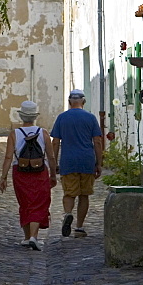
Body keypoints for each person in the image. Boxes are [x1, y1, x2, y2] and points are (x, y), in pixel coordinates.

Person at [0, 100, 56, 251]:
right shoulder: (43, 133)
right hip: (40, 172)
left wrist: (3, 177)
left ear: (22, 116)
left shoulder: (14, 134)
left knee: (25, 202)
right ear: (34, 116)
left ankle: (26, 237)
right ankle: (33, 237)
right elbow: (51, 157)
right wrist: (53, 175)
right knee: (40, 202)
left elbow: (8, 157)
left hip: (20, 172)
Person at [50, 89, 102, 238]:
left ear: (69, 102)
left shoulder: (62, 118)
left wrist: (54, 163)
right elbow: (97, 141)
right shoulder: (91, 118)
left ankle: (67, 214)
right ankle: (79, 227)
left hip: (68, 160)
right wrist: (99, 163)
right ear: (83, 102)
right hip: (87, 160)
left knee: (69, 193)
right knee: (84, 194)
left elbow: (55, 142)